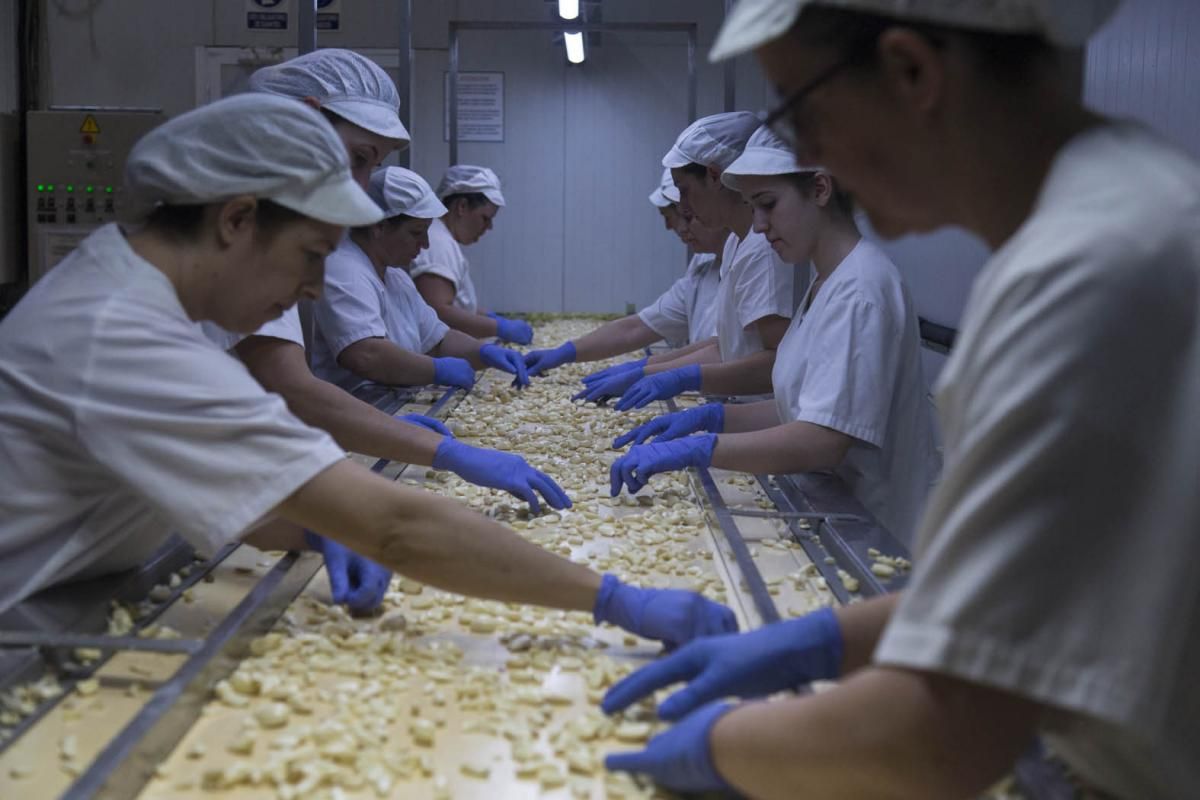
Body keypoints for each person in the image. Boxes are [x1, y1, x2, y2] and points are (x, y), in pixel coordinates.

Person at [601, 1, 1200, 798]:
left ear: (912, 71)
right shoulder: (1119, 219)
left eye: (801, 112)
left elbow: (949, 731)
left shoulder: (1091, 270)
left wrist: (722, 746)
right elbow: (1017, 613)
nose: (813, 157)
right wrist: (815, 643)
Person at [0, 96, 738, 652]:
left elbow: (224, 493)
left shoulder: (141, 301)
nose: (317, 288)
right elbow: (396, 524)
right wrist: (613, 600)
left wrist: (316, 526)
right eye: (313, 255)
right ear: (235, 221)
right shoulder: (123, 335)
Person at [199, 49, 570, 612]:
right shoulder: (243, 241)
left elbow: (226, 448)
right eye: (358, 158)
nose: (360, 186)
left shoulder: (264, 238)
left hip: (196, 507)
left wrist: (324, 512)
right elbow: (292, 389)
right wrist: (443, 454)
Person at [609, 125, 940, 546]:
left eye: (768, 205)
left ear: (820, 188)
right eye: (752, 207)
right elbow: (803, 411)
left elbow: (823, 440)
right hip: (843, 509)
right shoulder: (827, 283)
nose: (760, 225)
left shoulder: (860, 290)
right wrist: (713, 419)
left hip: (883, 528)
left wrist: (704, 448)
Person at [573, 112, 799, 408]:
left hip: (759, 419)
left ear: (715, 176)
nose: (683, 207)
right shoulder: (737, 242)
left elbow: (777, 363)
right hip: (738, 412)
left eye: (684, 190)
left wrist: (676, 377)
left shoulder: (765, 249)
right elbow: (728, 346)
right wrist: (647, 371)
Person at [308, 166, 530, 398]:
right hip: (353, 412)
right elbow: (366, 354)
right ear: (379, 226)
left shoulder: (396, 278)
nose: (425, 244)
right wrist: (436, 370)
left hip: (389, 406)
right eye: (416, 233)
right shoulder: (344, 270)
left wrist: (484, 352)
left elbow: (438, 340)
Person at [524, 168, 726, 379]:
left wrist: (646, 369)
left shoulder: (753, 258)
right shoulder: (703, 265)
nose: (678, 227)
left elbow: (724, 351)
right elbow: (636, 328)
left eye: (689, 216)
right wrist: (563, 353)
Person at [410, 166, 533, 344]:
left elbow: (456, 305)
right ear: (462, 206)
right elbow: (438, 310)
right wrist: (498, 328)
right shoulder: (438, 244)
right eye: (485, 218)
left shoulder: (443, 239)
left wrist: (489, 317)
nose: (489, 227)